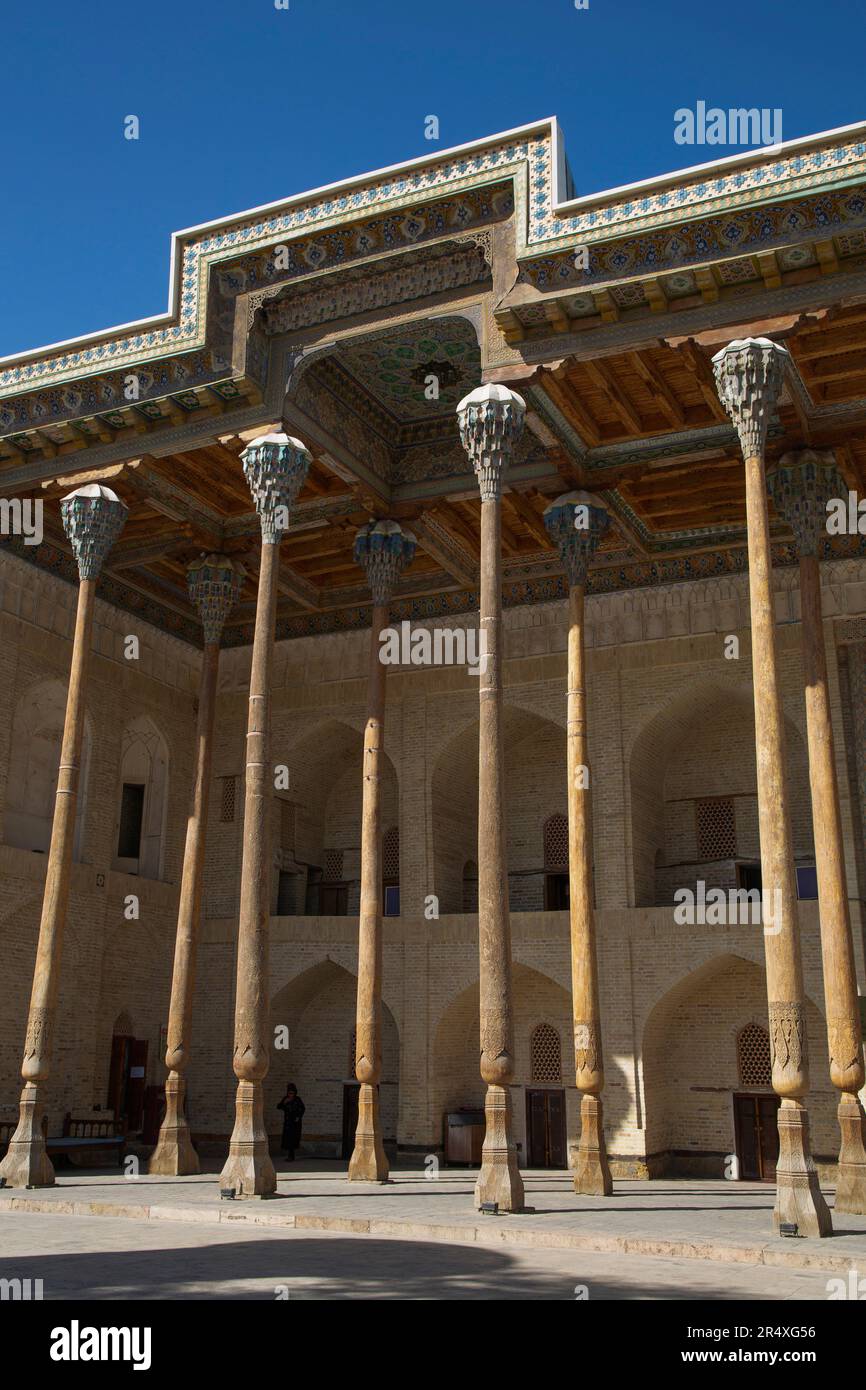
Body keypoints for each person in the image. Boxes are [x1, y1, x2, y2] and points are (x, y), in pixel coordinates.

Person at [277, 1083, 305, 1162]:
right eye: (289, 1093)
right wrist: (284, 1102)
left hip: (295, 1123)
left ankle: (291, 1156)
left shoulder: (297, 1100)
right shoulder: (285, 1099)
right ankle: (290, 1155)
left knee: (293, 1139)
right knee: (288, 1139)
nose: (290, 1095)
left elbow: (302, 1109)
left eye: (292, 1093)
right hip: (288, 1123)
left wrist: (298, 1117)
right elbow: (279, 1107)